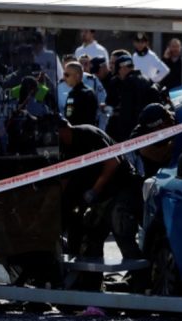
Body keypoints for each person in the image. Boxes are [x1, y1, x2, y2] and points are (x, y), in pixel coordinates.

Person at [58, 116, 145, 289]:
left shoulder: (87, 134)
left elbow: (112, 163)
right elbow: (65, 179)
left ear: (64, 129)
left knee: (120, 228)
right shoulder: (64, 146)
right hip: (101, 195)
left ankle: (142, 284)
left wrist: (94, 191)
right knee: (91, 236)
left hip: (121, 187)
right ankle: (92, 286)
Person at [106, 53, 165, 142]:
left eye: (118, 72)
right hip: (147, 129)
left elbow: (126, 112)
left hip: (133, 133)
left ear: (123, 68)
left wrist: (124, 136)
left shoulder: (128, 83)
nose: (119, 76)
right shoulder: (146, 79)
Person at [126, 102, 177, 179]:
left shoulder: (175, 118)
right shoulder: (138, 136)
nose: (171, 122)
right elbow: (160, 156)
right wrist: (180, 139)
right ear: (156, 127)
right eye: (167, 122)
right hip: (155, 175)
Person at [63, 61, 100, 127]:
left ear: (77, 76)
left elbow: (89, 120)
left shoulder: (87, 94)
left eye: (67, 75)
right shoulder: (72, 93)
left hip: (83, 134)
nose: (64, 78)